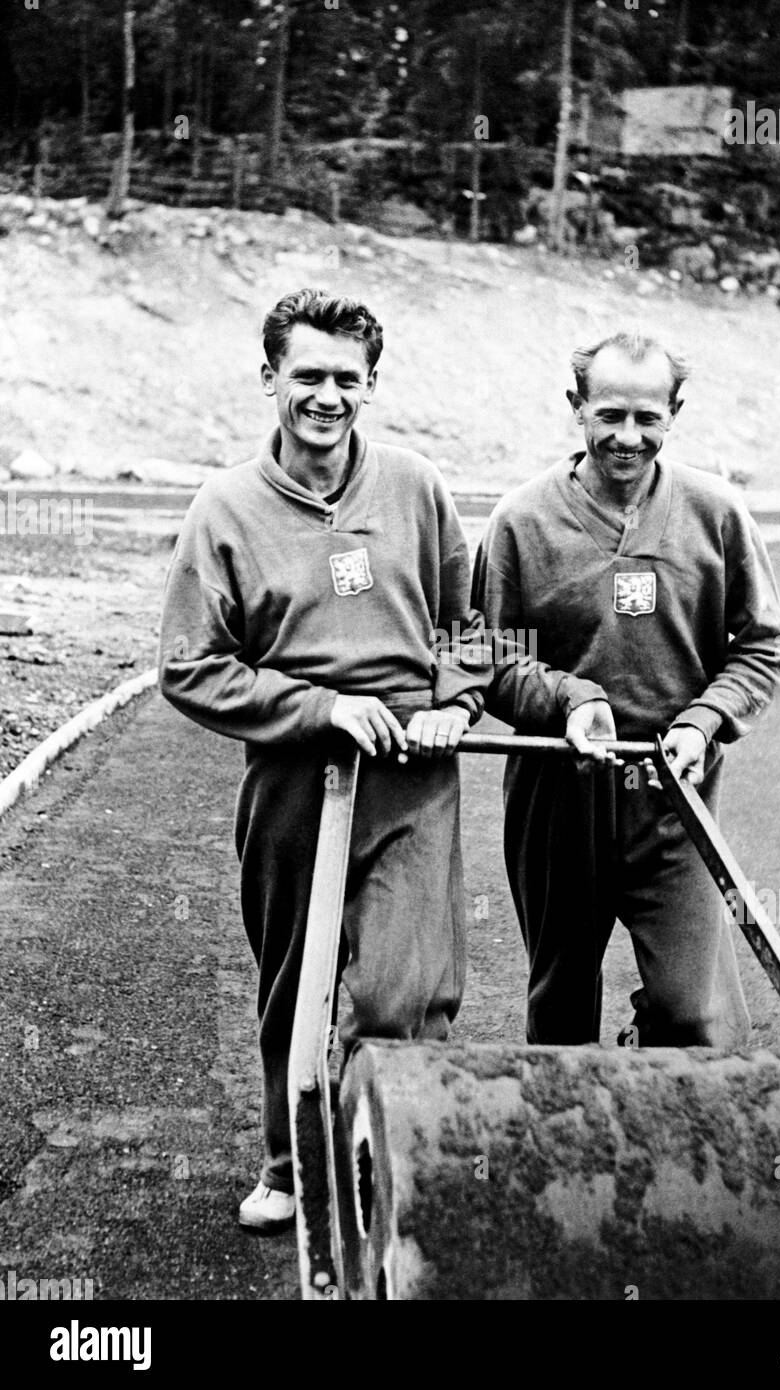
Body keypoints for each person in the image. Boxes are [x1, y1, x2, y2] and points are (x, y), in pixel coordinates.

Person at [159, 289, 489, 1233]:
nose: (327, 396)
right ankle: (290, 1162)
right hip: (296, 779)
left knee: (405, 987)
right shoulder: (225, 507)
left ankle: (389, 1157)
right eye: (308, 376)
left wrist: (453, 701)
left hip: (411, 778)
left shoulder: (417, 487)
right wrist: (318, 709)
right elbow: (189, 666)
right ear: (270, 380)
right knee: (296, 986)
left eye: (348, 378)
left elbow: (476, 629)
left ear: (373, 385)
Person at [472, 329, 780, 1049]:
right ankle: (568, 1144)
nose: (627, 436)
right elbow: (485, 655)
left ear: (674, 413)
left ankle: (655, 1092)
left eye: (648, 418)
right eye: (610, 414)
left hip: (674, 797)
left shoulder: (717, 514)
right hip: (558, 793)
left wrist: (704, 720)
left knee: (696, 1014)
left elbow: (764, 647)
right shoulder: (521, 520)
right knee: (560, 1007)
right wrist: (570, 699)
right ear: (576, 407)